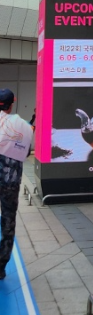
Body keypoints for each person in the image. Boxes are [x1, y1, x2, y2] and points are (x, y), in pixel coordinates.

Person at [0, 89, 33, 280]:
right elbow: (26, 152)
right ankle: (0, 266)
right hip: (10, 183)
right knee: (8, 223)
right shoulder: (22, 126)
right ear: (11, 104)